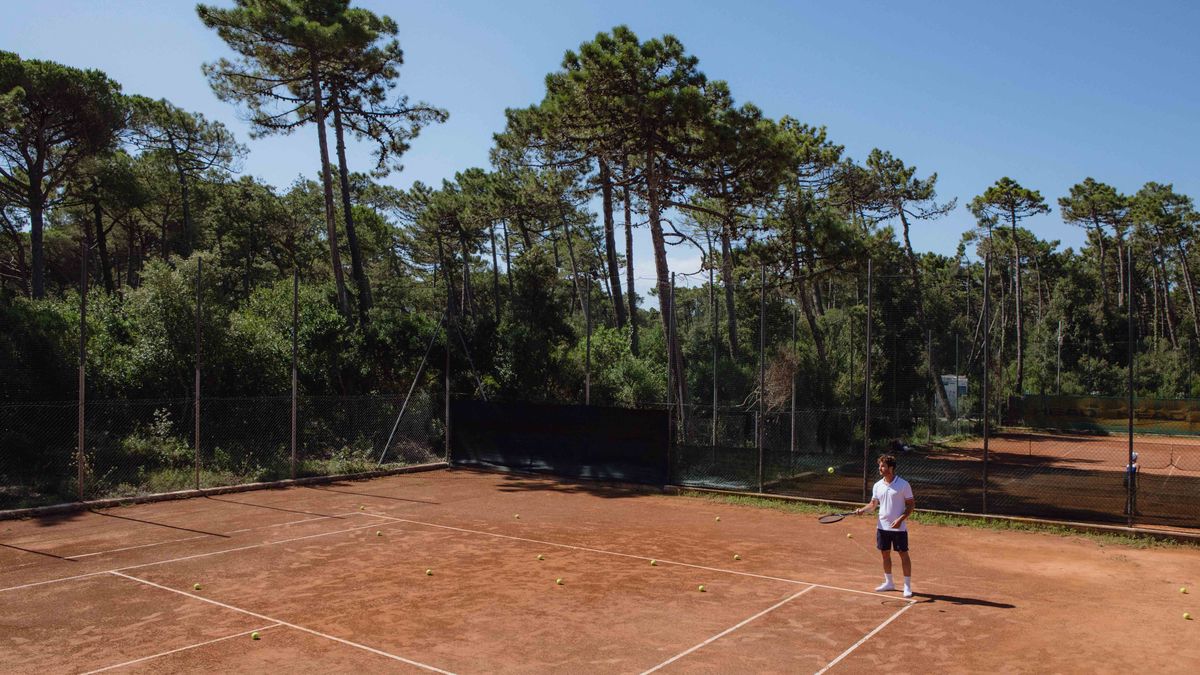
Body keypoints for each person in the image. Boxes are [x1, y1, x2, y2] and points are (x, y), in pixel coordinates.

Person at [854, 454, 915, 598]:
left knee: (903, 554)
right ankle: (889, 583)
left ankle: (907, 586)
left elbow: (911, 505)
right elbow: (873, 505)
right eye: (880, 466)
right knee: (885, 554)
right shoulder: (877, 485)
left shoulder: (903, 485)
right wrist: (862, 510)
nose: (880, 468)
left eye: (883, 466)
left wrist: (901, 519)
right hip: (882, 527)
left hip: (898, 528)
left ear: (891, 468)